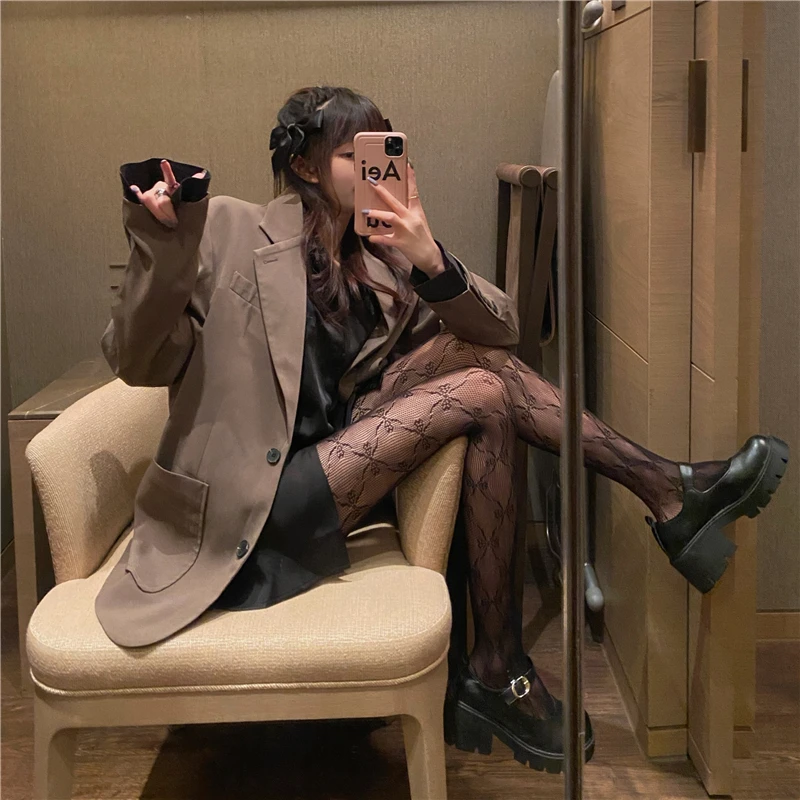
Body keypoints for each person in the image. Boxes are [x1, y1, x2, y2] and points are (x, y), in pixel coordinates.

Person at [96, 85, 789, 775]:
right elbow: (135, 359)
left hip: (333, 464)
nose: (375, 169)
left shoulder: (381, 259)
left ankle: (627, 533)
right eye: (352, 155)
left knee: (484, 369)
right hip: (252, 501)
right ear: (304, 166)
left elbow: (502, 332)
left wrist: (428, 257)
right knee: (484, 393)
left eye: (384, 151)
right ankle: (650, 509)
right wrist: (161, 243)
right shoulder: (230, 226)